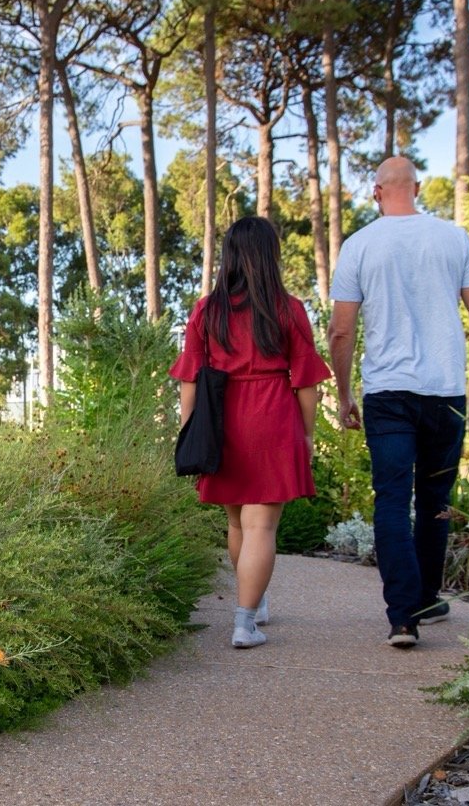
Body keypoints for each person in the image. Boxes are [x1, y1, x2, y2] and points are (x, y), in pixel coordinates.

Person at [327, 156, 469, 649]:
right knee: (435, 502)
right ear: (417, 188)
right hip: (445, 390)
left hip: (387, 393)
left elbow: (341, 330)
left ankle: (404, 616)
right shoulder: (454, 238)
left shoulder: (359, 245)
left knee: (392, 500)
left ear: (375, 192)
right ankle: (423, 597)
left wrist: (343, 394)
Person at [171, 216, 332, 649]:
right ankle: (244, 622)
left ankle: (253, 601)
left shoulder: (208, 310)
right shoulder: (288, 308)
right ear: (270, 256)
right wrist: (307, 434)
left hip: (223, 419)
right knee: (261, 525)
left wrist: (189, 429)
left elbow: (190, 378)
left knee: (238, 522)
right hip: (273, 414)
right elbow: (306, 383)